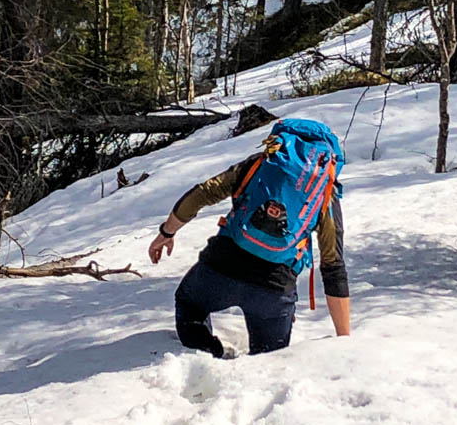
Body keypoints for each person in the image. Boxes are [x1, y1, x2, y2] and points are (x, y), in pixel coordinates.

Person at [148, 121, 350, 358]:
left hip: (220, 269)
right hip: (274, 289)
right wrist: (344, 340)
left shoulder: (260, 164)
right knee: (267, 361)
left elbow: (204, 192)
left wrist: (167, 233)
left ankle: (205, 355)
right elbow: (333, 266)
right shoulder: (324, 191)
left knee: (190, 303)